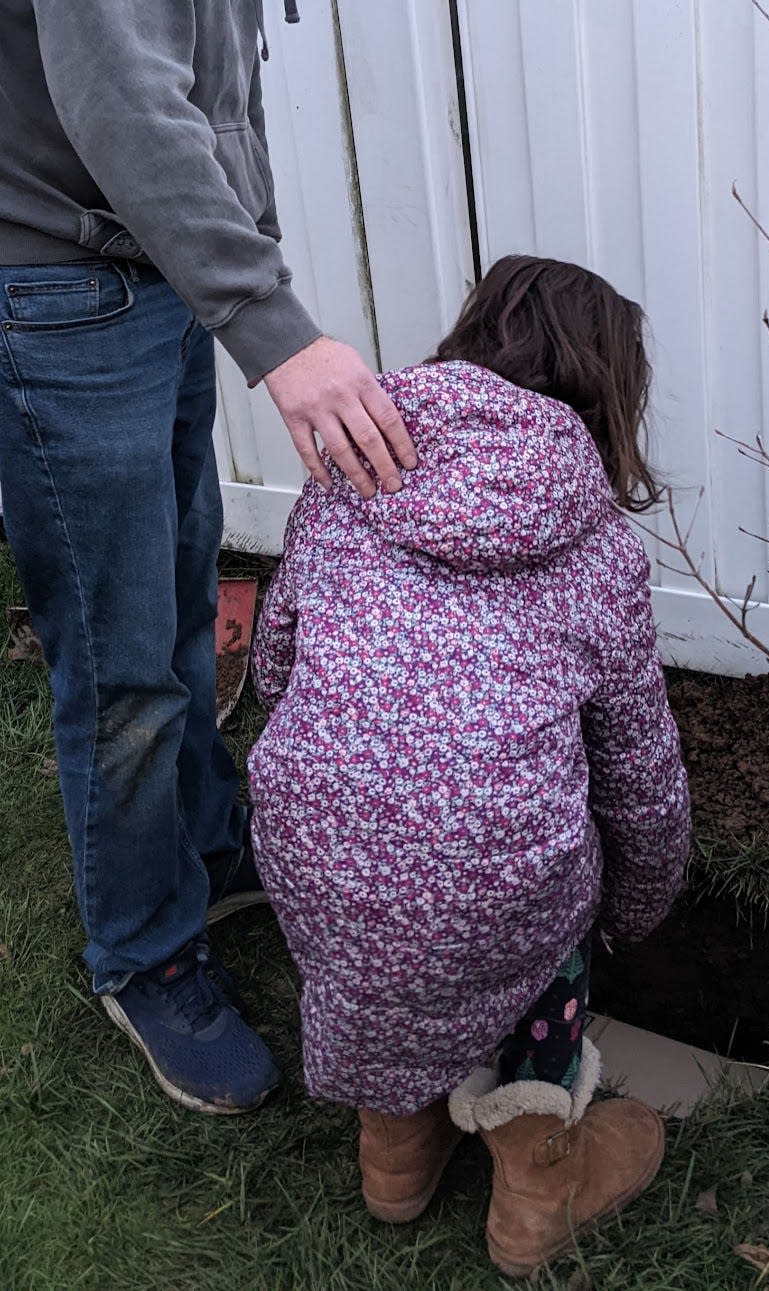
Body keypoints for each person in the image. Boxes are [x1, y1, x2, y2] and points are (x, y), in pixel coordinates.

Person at [0, 2, 415, 1114]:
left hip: (149, 276)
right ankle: (141, 955)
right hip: (59, 292)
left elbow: (213, 96)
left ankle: (202, 844)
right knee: (119, 659)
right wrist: (270, 324)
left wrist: (246, 254)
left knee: (177, 598)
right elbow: (126, 104)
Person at [247, 255, 693, 1277]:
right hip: (492, 890)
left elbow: (274, 663)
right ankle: (538, 1187)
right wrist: (635, 900)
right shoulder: (599, 554)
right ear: (608, 392)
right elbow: (636, 771)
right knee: (544, 886)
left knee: (386, 901)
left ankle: (393, 1153)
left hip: (317, 856)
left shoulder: (350, 475)